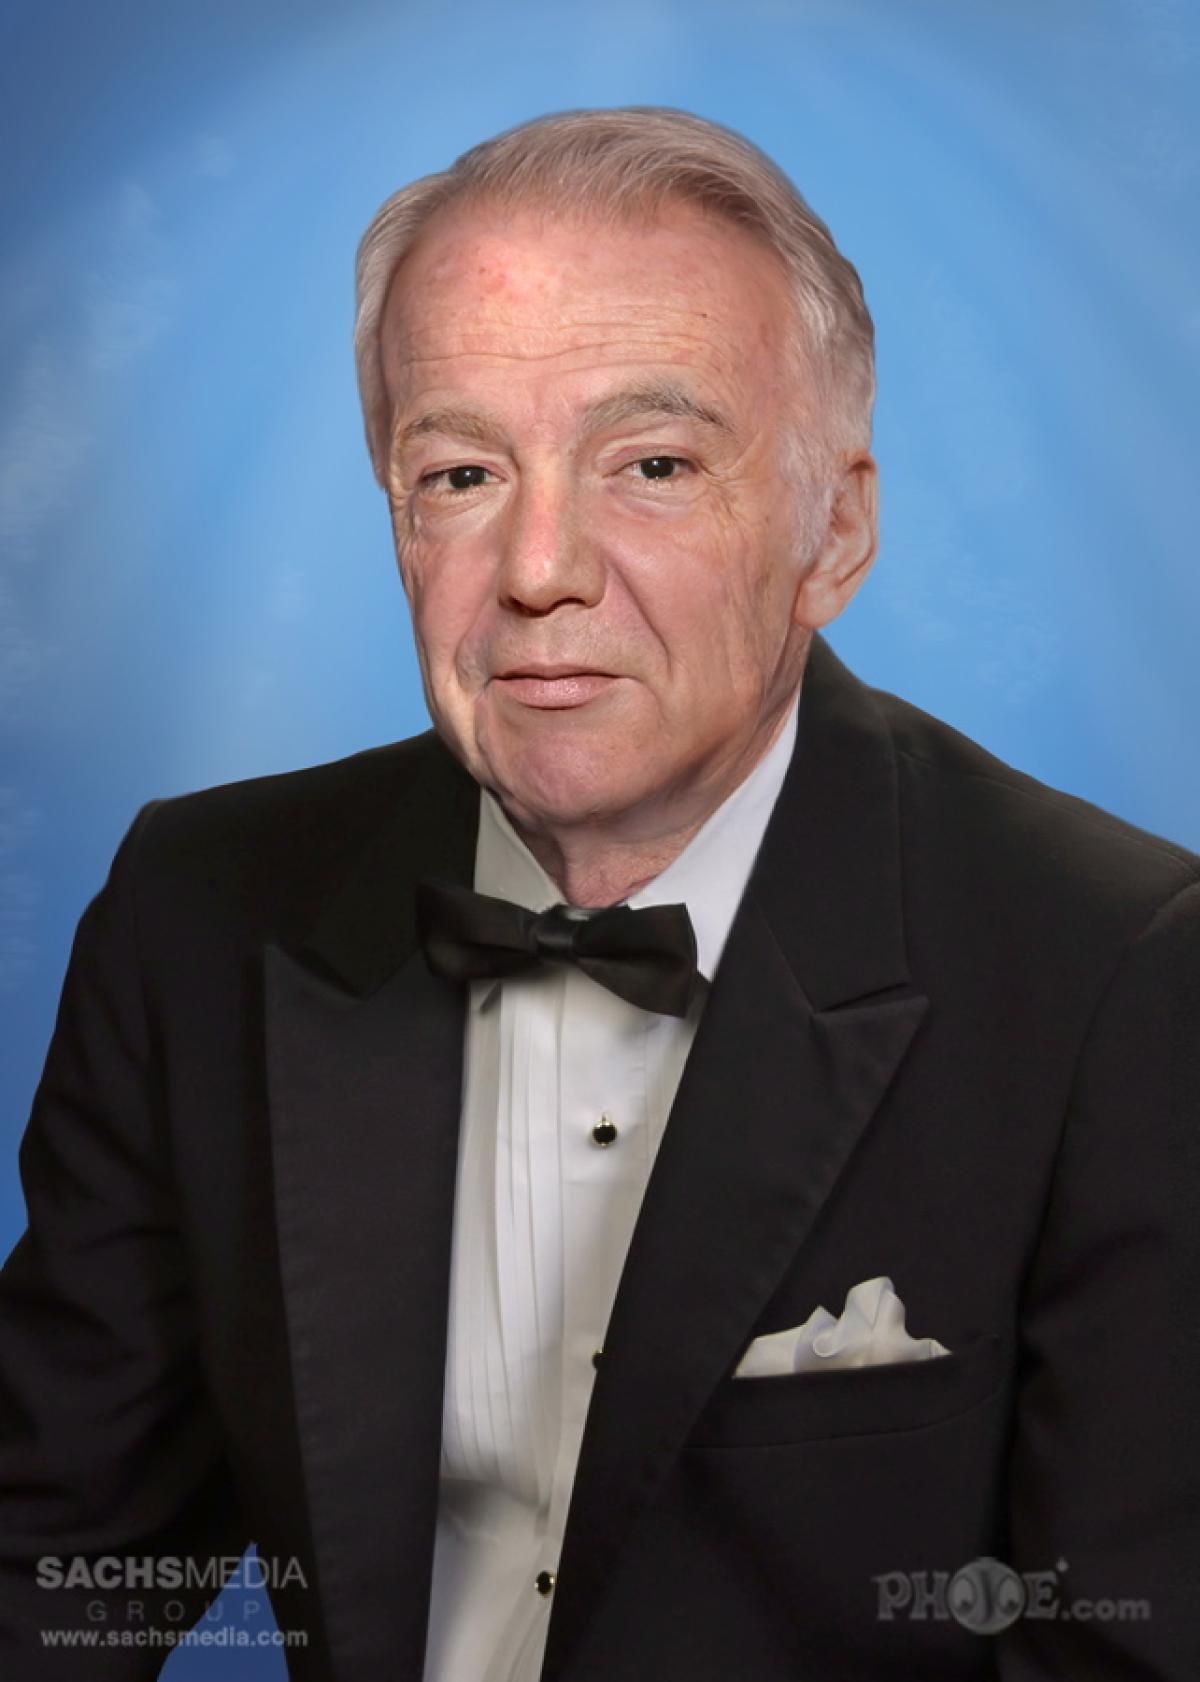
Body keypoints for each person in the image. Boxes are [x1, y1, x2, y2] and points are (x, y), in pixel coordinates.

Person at [0, 106, 1196, 1682]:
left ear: (835, 528)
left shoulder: (1119, 967)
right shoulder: (199, 912)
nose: (538, 567)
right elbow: (55, 1572)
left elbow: (1121, 1651)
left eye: (653, 465)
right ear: (395, 509)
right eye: (461, 471)